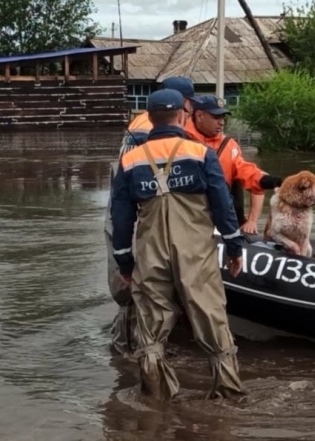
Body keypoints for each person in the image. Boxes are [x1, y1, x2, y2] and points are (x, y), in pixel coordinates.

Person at [111, 89, 246, 399]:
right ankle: (228, 395)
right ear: (184, 115)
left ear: (149, 117)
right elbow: (222, 204)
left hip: (150, 251)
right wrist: (235, 247)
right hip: (195, 252)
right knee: (211, 317)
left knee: (152, 328)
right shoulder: (200, 153)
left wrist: (124, 263)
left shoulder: (130, 160)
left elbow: (120, 217)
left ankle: (156, 400)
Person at [106, 76, 199, 356]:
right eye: (190, 105)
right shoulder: (164, 131)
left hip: (120, 213)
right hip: (144, 218)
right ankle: (139, 352)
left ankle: (125, 351)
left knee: (130, 289)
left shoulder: (140, 123)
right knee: (144, 290)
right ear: (183, 104)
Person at [185, 95, 283, 232]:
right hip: (188, 215)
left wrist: (275, 181)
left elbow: (246, 172)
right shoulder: (180, 140)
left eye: (223, 118)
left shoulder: (229, 145)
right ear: (199, 116)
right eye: (216, 117)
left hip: (219, 215)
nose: (221, 123)